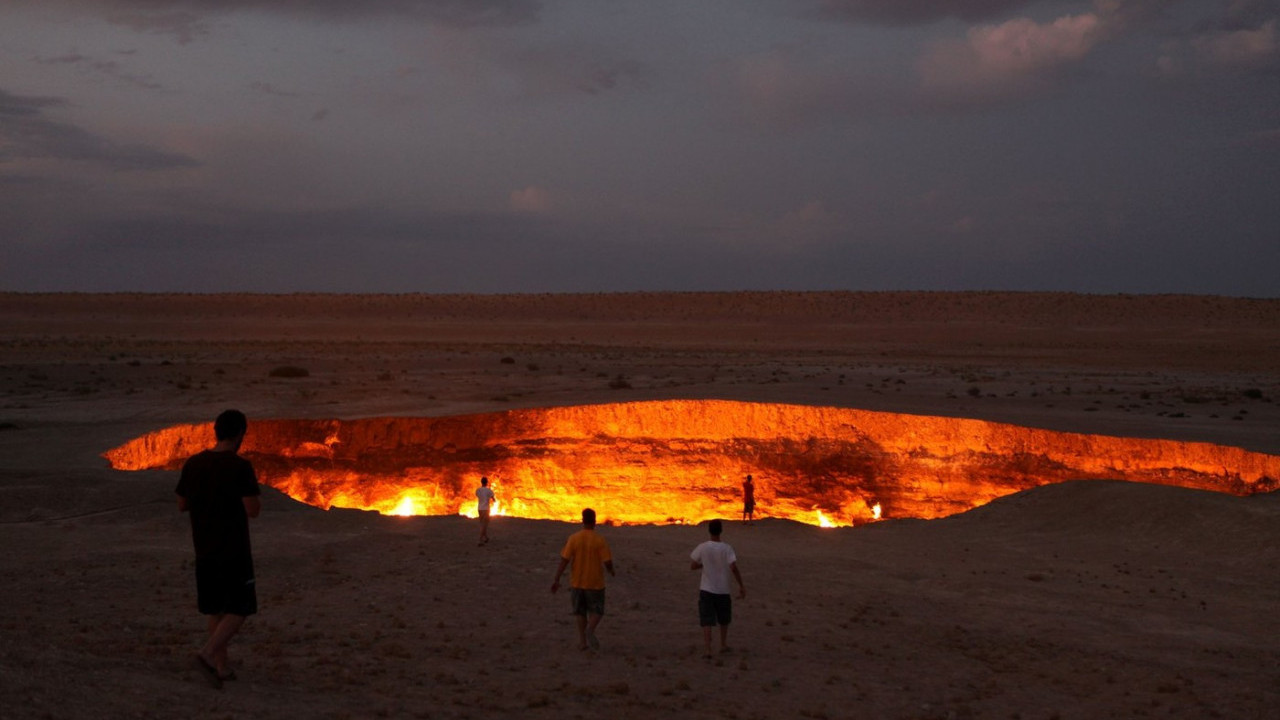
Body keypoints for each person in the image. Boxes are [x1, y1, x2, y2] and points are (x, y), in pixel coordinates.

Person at [175, 409, 261, 689]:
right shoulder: (240, 467)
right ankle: (208, 653)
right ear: (239, 434)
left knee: (216, 609)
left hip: (204, 549)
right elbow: (253, 510)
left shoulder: (194, 464)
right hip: (233, 550)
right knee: (241, 608)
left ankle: (220, 669)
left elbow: (182, 504)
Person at [550, 508, 615, 651]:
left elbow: (564, 560)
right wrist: (611, 571)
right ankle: (590, 629)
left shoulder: (574, 538)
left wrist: (557, 578)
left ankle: (583, 642)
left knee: (580, 612)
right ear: (595, 521)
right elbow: (607, 561)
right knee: (597, 611)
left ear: (582, 520)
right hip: (595, 583)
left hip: (577, 582)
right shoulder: (599, 540)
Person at [690, 519, 745, 658]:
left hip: (706, 588)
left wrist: (705, 565)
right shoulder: (727, 548)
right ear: (721, 531)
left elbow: (693, 565)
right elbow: (733, 567)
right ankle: (723, 644)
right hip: (723, 589)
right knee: (724, 618)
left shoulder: (703, 547)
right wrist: (741, 585)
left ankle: (708, 649)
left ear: (709, 530)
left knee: (707, 619)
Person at [476, 476, 495, 545]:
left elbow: (478, 496)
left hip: (479, 509)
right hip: (486, 509)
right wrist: (493, 500)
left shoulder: (478, 490)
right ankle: (480, 540)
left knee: (482, 524)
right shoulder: (489, 490)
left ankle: (486, 537)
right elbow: (493, 498)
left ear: (481, 482)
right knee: (485, 525)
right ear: (487, 483)